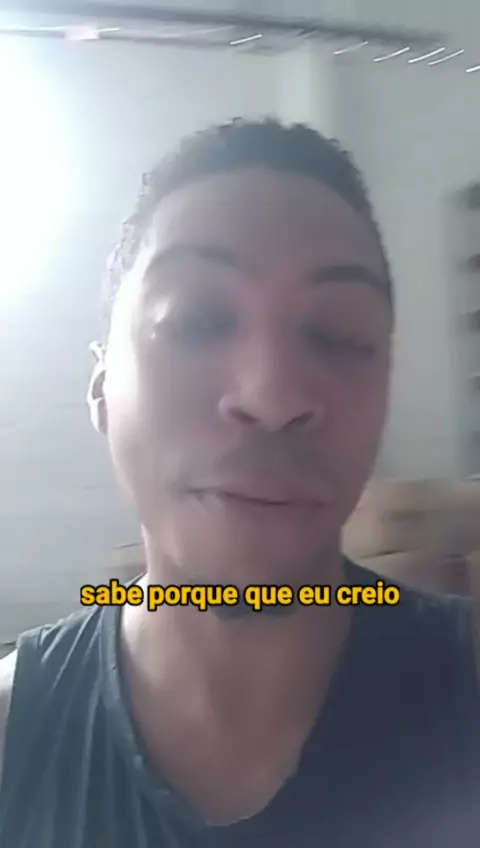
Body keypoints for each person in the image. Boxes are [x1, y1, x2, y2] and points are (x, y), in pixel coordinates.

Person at [0, 119, 479, 848]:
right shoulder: (15, 735)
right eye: (196, 321)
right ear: (101, 388)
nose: (273, 394)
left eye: (340, 336)